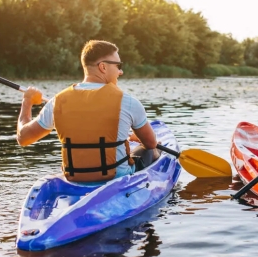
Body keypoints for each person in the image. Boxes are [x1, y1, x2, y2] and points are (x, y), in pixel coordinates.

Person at [16, 40, 160, 182]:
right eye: (118, 66)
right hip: (117, 178)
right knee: (152, 150)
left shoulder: (57, 101)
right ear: (103, 67)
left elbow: (23, 138)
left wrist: (27, 102)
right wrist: (138, 138)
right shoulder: (128, 101)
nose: (120, 71)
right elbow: (151, 143)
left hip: (75, 178)